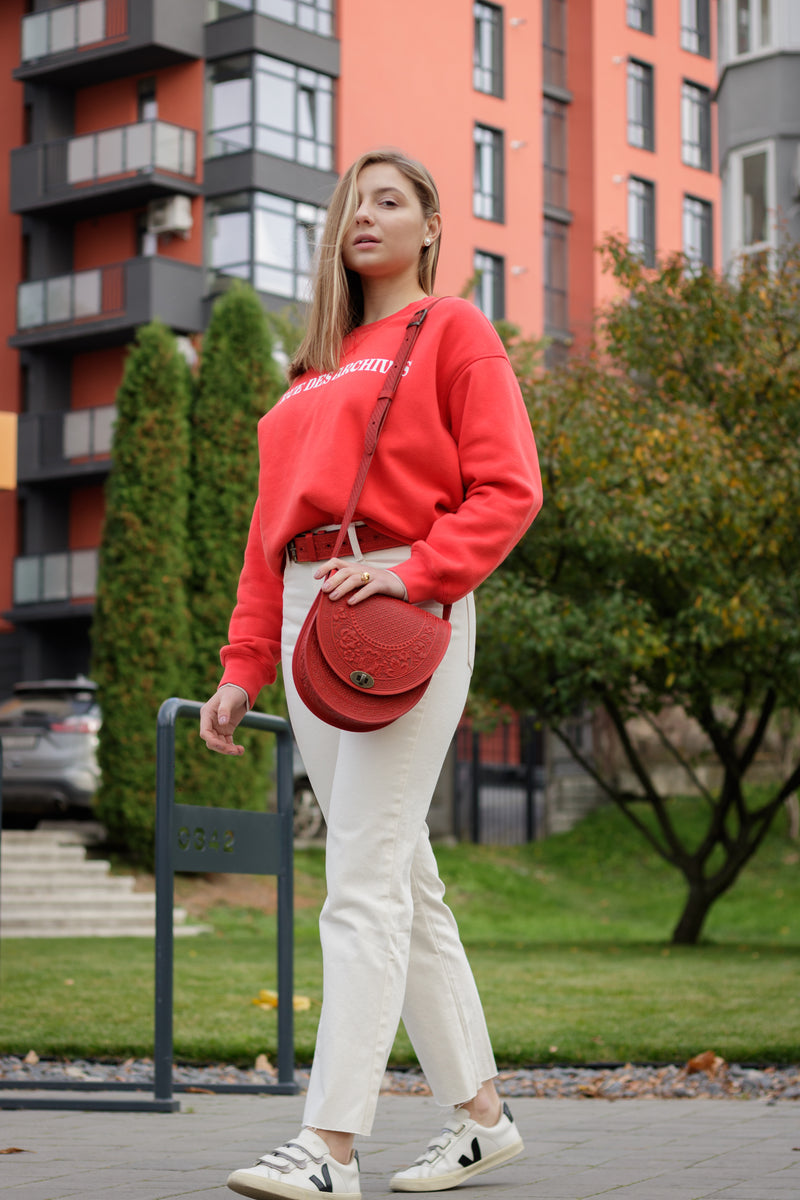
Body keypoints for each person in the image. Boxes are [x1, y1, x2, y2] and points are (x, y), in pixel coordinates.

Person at [199, 148, 542, 1199]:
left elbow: (508, 487)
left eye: (388, 201)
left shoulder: (452, 332)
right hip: (308, 617)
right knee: (404, 879)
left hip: (400, 604)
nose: (364, 217)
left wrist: (415, 570)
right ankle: (479, 1121)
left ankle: (330, 1147)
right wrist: (240, 666)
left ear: (430, 227)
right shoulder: (308, 373)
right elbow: (270, 541)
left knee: (358, 881)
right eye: (351, 203)